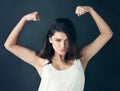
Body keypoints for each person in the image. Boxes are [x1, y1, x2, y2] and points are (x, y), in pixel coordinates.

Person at [4, 6, 113, 91]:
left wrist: (90, 10)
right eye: (58, 40)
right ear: (50, 39)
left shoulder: (80, 59)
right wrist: (24, 19)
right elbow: (10, 45)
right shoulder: (41, 61)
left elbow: (107, 34)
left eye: (67, 40)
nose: (63, 45)